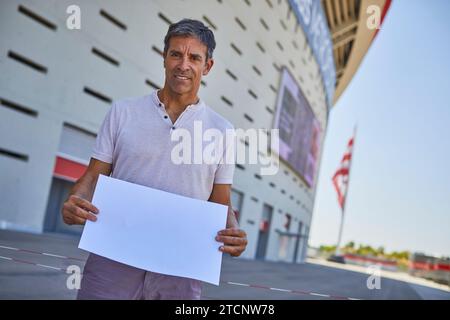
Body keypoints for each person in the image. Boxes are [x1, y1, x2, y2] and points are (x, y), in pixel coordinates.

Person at [61, 18, 247, 300]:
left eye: (194, 57)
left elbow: (221, 202)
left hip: (180, 268)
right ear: (164, 58)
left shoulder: (222, 131)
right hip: (113, 258)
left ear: (207, 66)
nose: (183, 65)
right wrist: (75, 201)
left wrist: (233, 231)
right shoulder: (123, 112)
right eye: (175, 54)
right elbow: (92, 178)